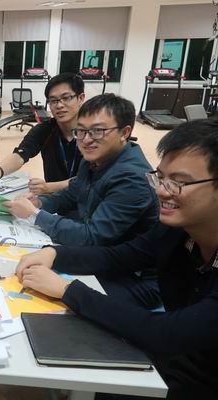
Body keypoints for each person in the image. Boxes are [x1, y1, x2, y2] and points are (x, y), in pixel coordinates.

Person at [16, 119, 218, 399]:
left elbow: (164, 333)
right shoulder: (176, 230)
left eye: (179, 182)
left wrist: (68, 290)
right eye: (160, 178)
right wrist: (55, 253)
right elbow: (120, 256)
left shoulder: (131, 180)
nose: (161, 191)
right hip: (180, 356)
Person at [4, 94, 160, 308]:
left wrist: (35, 215)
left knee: (38, 295)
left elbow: (92, 237)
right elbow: (70, 195)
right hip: (99, 257)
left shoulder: (132, 178)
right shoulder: (94, 160)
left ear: (124, 133)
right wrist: (40, 203)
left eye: (97, 131)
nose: (86, 140)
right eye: (81, 131)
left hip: (132, 277)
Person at [0, 73, 85, 195]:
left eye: (66, 98)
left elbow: (90, 179)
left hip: (87, 199)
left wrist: (49, 187)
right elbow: (20, 155)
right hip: (55, 199)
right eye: (53, 100)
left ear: (81, 98)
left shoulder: (92, 134)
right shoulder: (46, 129)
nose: (59, 105)